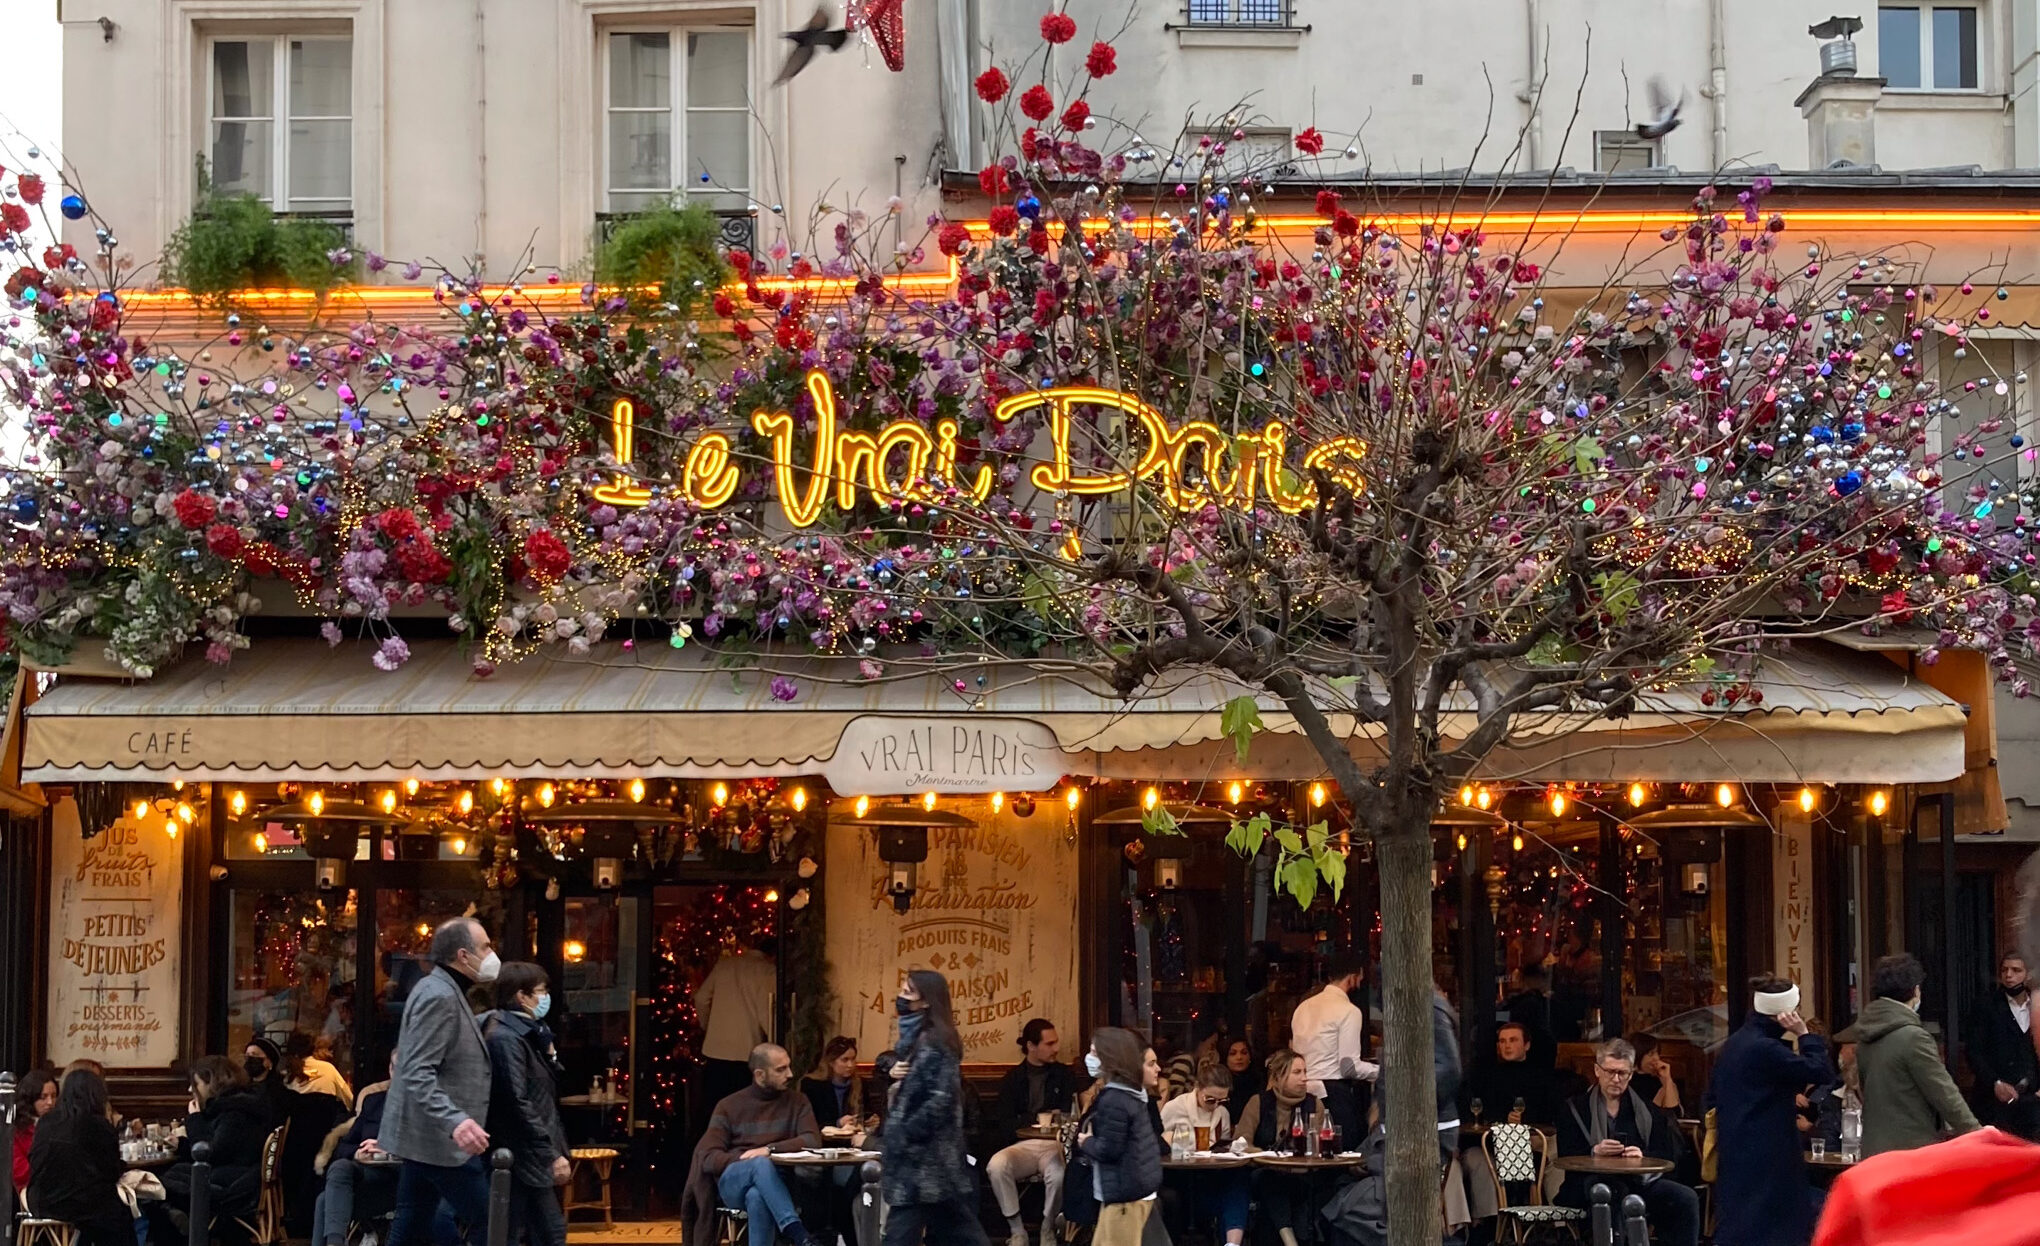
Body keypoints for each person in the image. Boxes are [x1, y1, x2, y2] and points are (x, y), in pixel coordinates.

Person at [381, 916, 499, 1245]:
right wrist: (456, 1121)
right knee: (491, 1221)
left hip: (425, 1137)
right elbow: (416, 1069)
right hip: (440, 1140)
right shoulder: (440, 996)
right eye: (486, 946)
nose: (492, 954)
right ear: (463, 955)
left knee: (414, 1221)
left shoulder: (442, 989)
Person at [1706, 974, 1833, 1246]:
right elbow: (1821, 1071)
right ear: (1786, 1014)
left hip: (1738, 1151)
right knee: (1774, 1229)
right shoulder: (1766, 1049)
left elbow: (1711, 1095)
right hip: (1768, 1156)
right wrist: (1804, 1035)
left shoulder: (1736, 1043)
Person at [1554, 1039, 1699, 1246]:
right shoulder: (1574, 1109)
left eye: (1622, 1073)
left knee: (1685, 1197)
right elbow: (1565, 1155)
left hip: (1637, 1182)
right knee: (1611, 1192)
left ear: (1631, 1075)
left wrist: (1642, 1156)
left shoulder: (1646, 1110)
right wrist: (1594, 1151)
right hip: (1589, 1182)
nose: (1615, 1079)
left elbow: (1665, 1155)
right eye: (1610, 1071)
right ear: (1597, 1071)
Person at [882, 970, 989, 1245]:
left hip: (924, 1160)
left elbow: (940, 1099)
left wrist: (905, 1132)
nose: (901, 997)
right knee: (960, 1230)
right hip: (929, 1163)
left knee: (900, 1233)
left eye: (908, 992)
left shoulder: (936, 1042)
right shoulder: (916, 1042)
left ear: (926, 1002)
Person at [681, 1043, 822, 1246]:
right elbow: (708, 1157)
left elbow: (812, 1140)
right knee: (759, 1164)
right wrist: (745, 1158)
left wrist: (769, 1150)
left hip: (778, 1184)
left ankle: (794, 1232)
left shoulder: (798, 1102)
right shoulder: (729, 1106)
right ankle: (796, 1231)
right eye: (781, 1069)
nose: (790, 1074)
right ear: (760, 1075)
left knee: (757, 1196)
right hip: (734, 1181)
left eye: (789, 1066)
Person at [1849, 953, 1978, 1156]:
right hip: (1910, 1151)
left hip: (1873, 1150)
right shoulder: (1913, 1037)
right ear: (1916, 990)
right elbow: (1944, 1093)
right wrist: (1976, 1133)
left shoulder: (1867, 1035)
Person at [483, 962, 571, 1246]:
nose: (545, 997)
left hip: (529, 1153)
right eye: (541, 991)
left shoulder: (531, 1034)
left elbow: (542, 1088)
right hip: (523, 1154)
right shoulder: (506, 1038)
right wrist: (550, 1153)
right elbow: (516, 1100)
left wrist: (551, 1055)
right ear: (522, 996)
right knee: (547, 1232)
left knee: (532, 1232)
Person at [151, 1055, 273, 1246]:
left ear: (212, 1083)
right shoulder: (238, 1106)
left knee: (157, 1183)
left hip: (234, 1186)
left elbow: (210, 1153)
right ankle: (175, 1218)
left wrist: (195, 1118)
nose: (191, 1090)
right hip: (240, 1175)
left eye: (196, 1083)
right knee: (167, 1176)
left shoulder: (235, 1113)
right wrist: (182, 1144)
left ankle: (179, 1224)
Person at [989, 1018, 1080, 1246]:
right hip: (1024, 1144)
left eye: (1056, 1042)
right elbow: (1005, 1123)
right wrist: (1039, 1117)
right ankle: (1017, 1230)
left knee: (1058, 1175)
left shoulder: (1064, 1075)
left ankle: (1048, 1227)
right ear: (1031, 1046)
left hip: (1054, 1145)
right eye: (1049, 1044)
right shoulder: (1013, 1079)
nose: (1056, 1048)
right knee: (997, 1165)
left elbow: (1070, 1115)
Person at [25, 1067, 133, 1246]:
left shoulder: (46, 1121)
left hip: (40, 1200)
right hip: (80, 1204)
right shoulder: (98, 1125)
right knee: (118, 1212)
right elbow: (111, 1171)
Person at [1077, 1028, 1165, 1246]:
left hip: (1123, 1196)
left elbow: (1110, 1150)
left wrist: (1086, 1142)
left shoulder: (1113, 1099)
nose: (1089, 1058)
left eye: (1094, 1053)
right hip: (1136, 1190)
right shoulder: (1133, 1095)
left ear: (1109, 1058)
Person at [1289, 950, 1377, 1147]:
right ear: (1354, 976)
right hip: (1334, 1094)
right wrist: (1383, 1072)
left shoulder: (1303, 1007)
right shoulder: (1349, 1011)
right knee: (1342, 1153)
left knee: (1308, 1150)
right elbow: (1349, 1067)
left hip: (1303, 1091)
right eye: (1361, 976)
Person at [311, 1052, 398, 1246]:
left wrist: (388, 1151)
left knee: (325, 1201)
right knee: (341, 1166)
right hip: (368, 1176)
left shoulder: (422, 1107)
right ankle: (336, 1243)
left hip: (402, 1179)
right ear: (390, 1070)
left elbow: (427, 1152)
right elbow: (344, 1146)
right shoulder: (374, 1102)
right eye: (395, 1068)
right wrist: (358, 1153)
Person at [1236, 1049, 1321, 1246]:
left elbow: (1317, 1148)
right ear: (1278, 1076)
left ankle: (1288, 1237)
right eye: (1297, 1072)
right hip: (1265, 1172)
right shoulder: (1258, 1102)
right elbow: (1240, 1143)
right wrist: (1266, 1156)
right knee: (1271, 1179)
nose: (1304, 1078)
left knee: (1284, 1187)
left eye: (1305, 1072)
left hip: (1303, 1175)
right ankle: (1290, 1240)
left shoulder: (1314, 1105)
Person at [696, 934, 779, 1127]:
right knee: (743, 1112)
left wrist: (708, 1026)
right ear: (773, 954)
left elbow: (701, 998)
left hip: (715, 1048)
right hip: (746, 1050)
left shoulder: (725, 965)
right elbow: (765, 1013)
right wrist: (775, 1044)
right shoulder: (767, 971)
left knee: (713, 1109)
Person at [1160, 1065, 1246, 1246]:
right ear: (1197, 1089)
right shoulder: (1175, 1108)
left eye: (1221, 1101)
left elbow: (1222, 1145)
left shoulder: (1222, 1114)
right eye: (1210, 1100)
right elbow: (1160, 1146)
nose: (1215, 1105)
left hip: (1210, 1175)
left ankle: (1231, 1243)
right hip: (1181, 1178)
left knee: (1238, 1181)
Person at [1963, 950, 2038, 1139]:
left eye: (2016, 970)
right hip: (1994, 1101)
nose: (2009, 975)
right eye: (2005, 970)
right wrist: (1994, 1082)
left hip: (2032, 1101)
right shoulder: (1986, 1005)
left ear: (2028, 974)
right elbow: (1974, 1051)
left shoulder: (2037, 1005)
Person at [1461, 1021, 1562, 1127]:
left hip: (1536, 1136)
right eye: (1502, 1041)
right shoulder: (1488, 1077)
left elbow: (1551, 1110)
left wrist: (1526, 1117)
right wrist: (1504, 1117)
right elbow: (1481, 1109)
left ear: (1526, 1045)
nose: (1507, 1046)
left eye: (1513, 1040)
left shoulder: (1541, 1077)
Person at [1500, 965, 1558, 1069]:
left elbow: (1500, 1017)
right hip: (1544, 1056)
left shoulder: (1518, 1005)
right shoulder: (1548, 1005)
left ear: (1523, 981)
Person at [802, 1035, 865, 1130]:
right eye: (845, 1060)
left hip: (852, 1139)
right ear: (831, 1062)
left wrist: (869, 1120)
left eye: (853, 1059)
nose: (850, 1065)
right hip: (823, 1140)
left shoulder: (859, 1084)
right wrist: (838, 1123)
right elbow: (810, 1121)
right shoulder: (812, 1085)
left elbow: (865, 1114)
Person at [11, 1066, 57, 1191]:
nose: (50, 1102)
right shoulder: (17, 1129)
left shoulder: (60, 1123)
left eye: (53, 1096)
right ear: (31, 1098)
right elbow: (18, 1170)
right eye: (43, 1097)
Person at [286, 1029, 355, 1107]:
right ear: (313, 1049)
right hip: (327, 1118)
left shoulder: (288, 1078)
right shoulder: (328, 1069)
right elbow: (349, 1100)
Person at [1630, 1033, 1684, 1114]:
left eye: (1657, 1053)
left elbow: (1675, 1114)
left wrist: (1667, 1081)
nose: (1656, 1058)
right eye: (1651, 1054)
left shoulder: (1661, 1082)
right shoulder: (1626, 1082)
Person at [1220, 1041, 1261, 1124]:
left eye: (1244, 1053)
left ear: (1250, 1057)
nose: (1239, 1057)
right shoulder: (1219, 1082)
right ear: (1225, 1058)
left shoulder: (1259, 1081)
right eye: (1233, 1053)